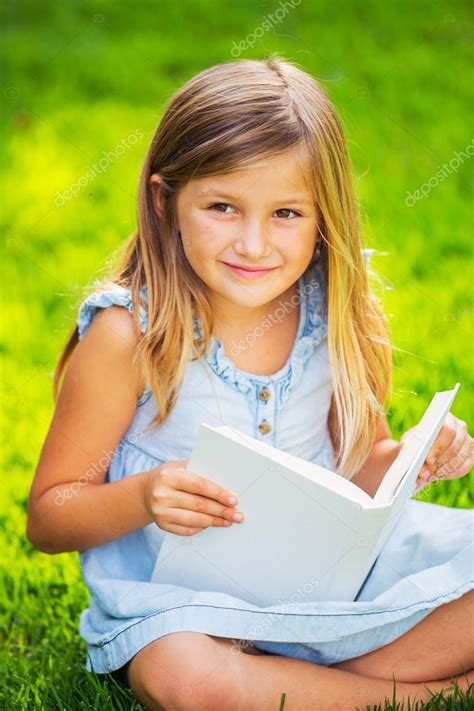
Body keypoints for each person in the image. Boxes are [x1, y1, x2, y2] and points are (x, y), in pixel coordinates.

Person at [26, 54, 474, 710]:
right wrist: (146, 496)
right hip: (194, 613)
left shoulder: (332, 315)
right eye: (223, 207)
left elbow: (359, 475)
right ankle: (417, 692)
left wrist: (412, 457)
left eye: (287, 213)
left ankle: (314, 681)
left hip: (329, 592)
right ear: (164, 199)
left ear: (325, 216)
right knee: (183, 674)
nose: (255, 243)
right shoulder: (130, 336)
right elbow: (49, 514)